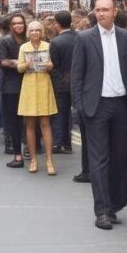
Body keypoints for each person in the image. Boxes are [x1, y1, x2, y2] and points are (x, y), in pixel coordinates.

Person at [71, 0, 127, 230]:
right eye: (97, 10)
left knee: (120, 157)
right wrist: (80, 105)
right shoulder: (84, 38)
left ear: (115, 12)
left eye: (105, 10)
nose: (101, 13)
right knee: (99, 159)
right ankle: (101, 211)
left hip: (122, 105)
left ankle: (114, 205)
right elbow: (77, 75)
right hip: (96, 106)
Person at [16, 20, 58, 174]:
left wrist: (49, 66)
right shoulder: (23, 48)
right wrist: (25, 66)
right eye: (32, 30)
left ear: (42, 32)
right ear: (28, 32)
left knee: (46, 125)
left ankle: (49, 161)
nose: (34, 33)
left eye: (37, 30)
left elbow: (53, 64)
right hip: (28, 86)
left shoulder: (48, 46)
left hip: (43, 85)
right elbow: (19, 67)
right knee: (30, 125)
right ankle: (33, 159)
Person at [0, 13, 28, 166]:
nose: (18, 26)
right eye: (15, 23)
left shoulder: (29, 39)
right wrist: (22, 63)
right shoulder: (6, 40)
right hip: (11, 86)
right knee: (14, 122)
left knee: (29, 120)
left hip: (28, 84)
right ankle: (18, 155)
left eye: (20, 23)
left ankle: (30, 150)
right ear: (11, 25)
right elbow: (3, 62)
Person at [49, 10, 77, 155]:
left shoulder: (55, 42)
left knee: (60, 113)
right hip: (77, 81)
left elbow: (54, 65)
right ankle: (68, 144)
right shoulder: (80, 37)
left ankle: (58, 142)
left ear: (57, 24)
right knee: (72, 113)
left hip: (60, 82)